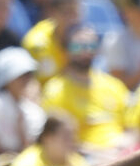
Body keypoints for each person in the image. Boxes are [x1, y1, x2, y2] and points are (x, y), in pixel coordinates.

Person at [42, 25, 130, 156]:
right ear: (66, 50)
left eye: (91, 46)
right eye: (78, 47)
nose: (85, 52)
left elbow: (132, 128)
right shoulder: (55, 91)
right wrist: (100, 153)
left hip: (122, 154)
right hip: (82, 159)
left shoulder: (114, 85)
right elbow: (58, 138)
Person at [0, 46, 46, 159]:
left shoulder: (34, 111)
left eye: (28, 74)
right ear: (6, 78)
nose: (26, 79)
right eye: (20, 75)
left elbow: (34, 148)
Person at [9, 114, 94, 166]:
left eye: (73, 135)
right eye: (66, 136)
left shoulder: (80, 163)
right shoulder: (26, 163)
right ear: (48, 138)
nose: (72, 141)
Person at [22, 0, 81, 84]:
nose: (72, 19)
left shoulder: (84, 37)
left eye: (75, 12)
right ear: (53, 13)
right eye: (66, 12)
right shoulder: (37, 44)